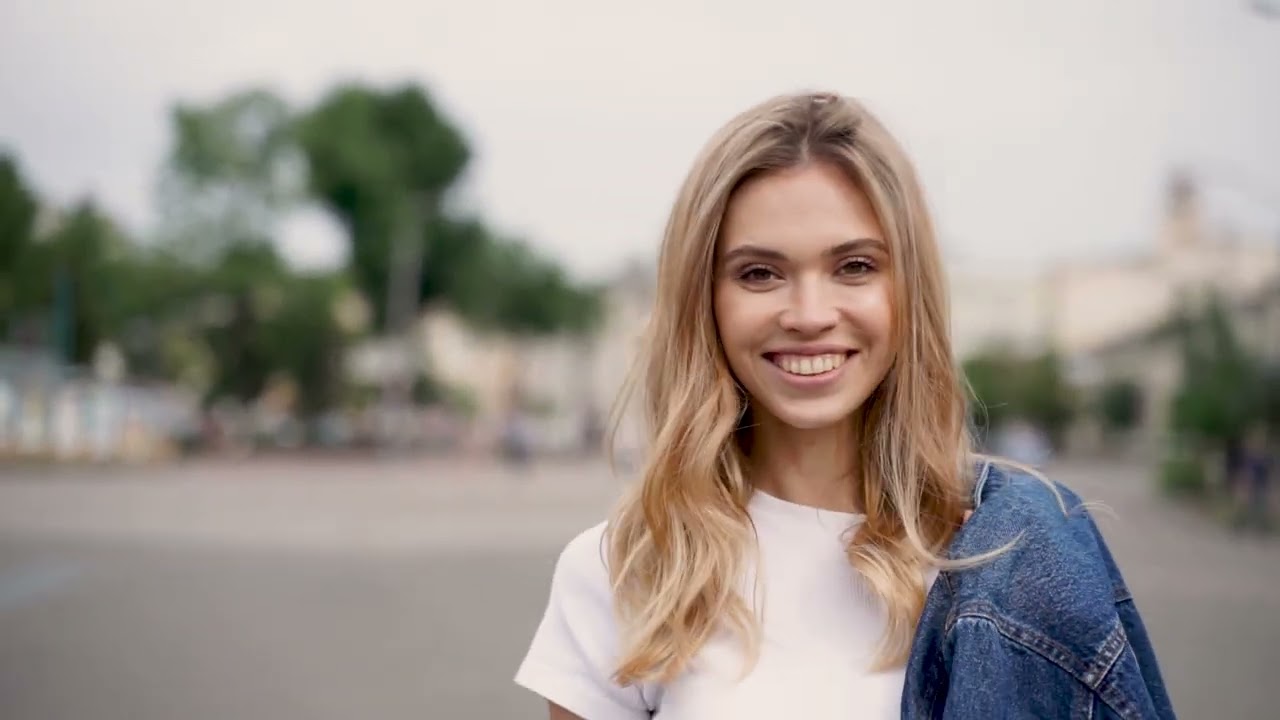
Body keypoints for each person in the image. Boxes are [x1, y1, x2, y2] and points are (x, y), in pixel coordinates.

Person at [514, 91, 1174, 719]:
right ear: (704, 300)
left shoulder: (1017, 558)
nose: (809, 315)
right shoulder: (624, 574)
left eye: (854, 267)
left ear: (907, 289)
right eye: (759, 273)